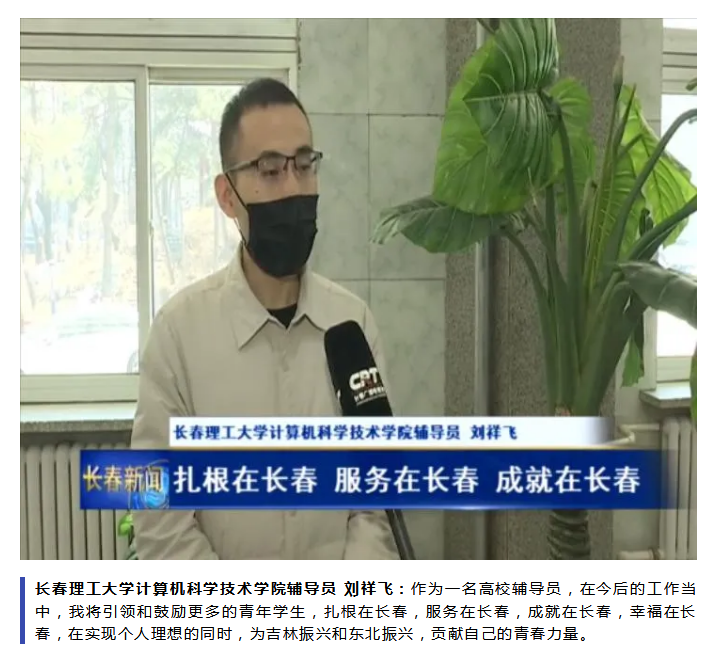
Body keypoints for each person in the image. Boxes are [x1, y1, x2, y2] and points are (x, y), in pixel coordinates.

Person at [130, 78, 398, 560]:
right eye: (270, 170)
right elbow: (160, 520)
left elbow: (376, 501)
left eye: (304, 164)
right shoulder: (179, 336)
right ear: (227, 195)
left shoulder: (351, 325)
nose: (293, 186)